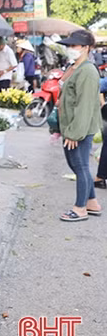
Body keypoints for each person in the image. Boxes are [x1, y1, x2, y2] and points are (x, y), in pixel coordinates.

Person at [56, 30, 102, 221]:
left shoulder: (88, 71)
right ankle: (91, 202)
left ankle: (80, 208)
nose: (70, 49)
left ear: (86, 48)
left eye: (74, 46)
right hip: (72, 125)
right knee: (77, 164)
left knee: (80, 166)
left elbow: (84, 106)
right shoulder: (76, 67)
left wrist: (74, 134)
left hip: (79, 128)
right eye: (69, 46)